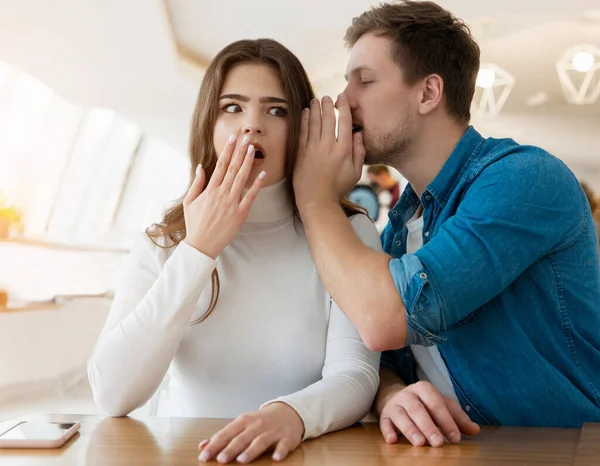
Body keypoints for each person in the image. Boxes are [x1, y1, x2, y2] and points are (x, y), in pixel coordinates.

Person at [293, 0, 600, 449]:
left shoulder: (524, 179)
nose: (344, 101)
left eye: (365, 81)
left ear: (428, 93)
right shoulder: (399, 228)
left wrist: (315, 196)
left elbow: (383, 319)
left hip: (564, 452)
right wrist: (393, 395)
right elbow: (375, 352)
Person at [87, 38, 381, 464]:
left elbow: (356, 375)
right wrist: (198, 250)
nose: (252, 125)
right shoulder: (164, 243)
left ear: (300, 129)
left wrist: (292, 415)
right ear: (208, 124)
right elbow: (112, 394)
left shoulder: (350, 233)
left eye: (276, 110)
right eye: (232, 107)